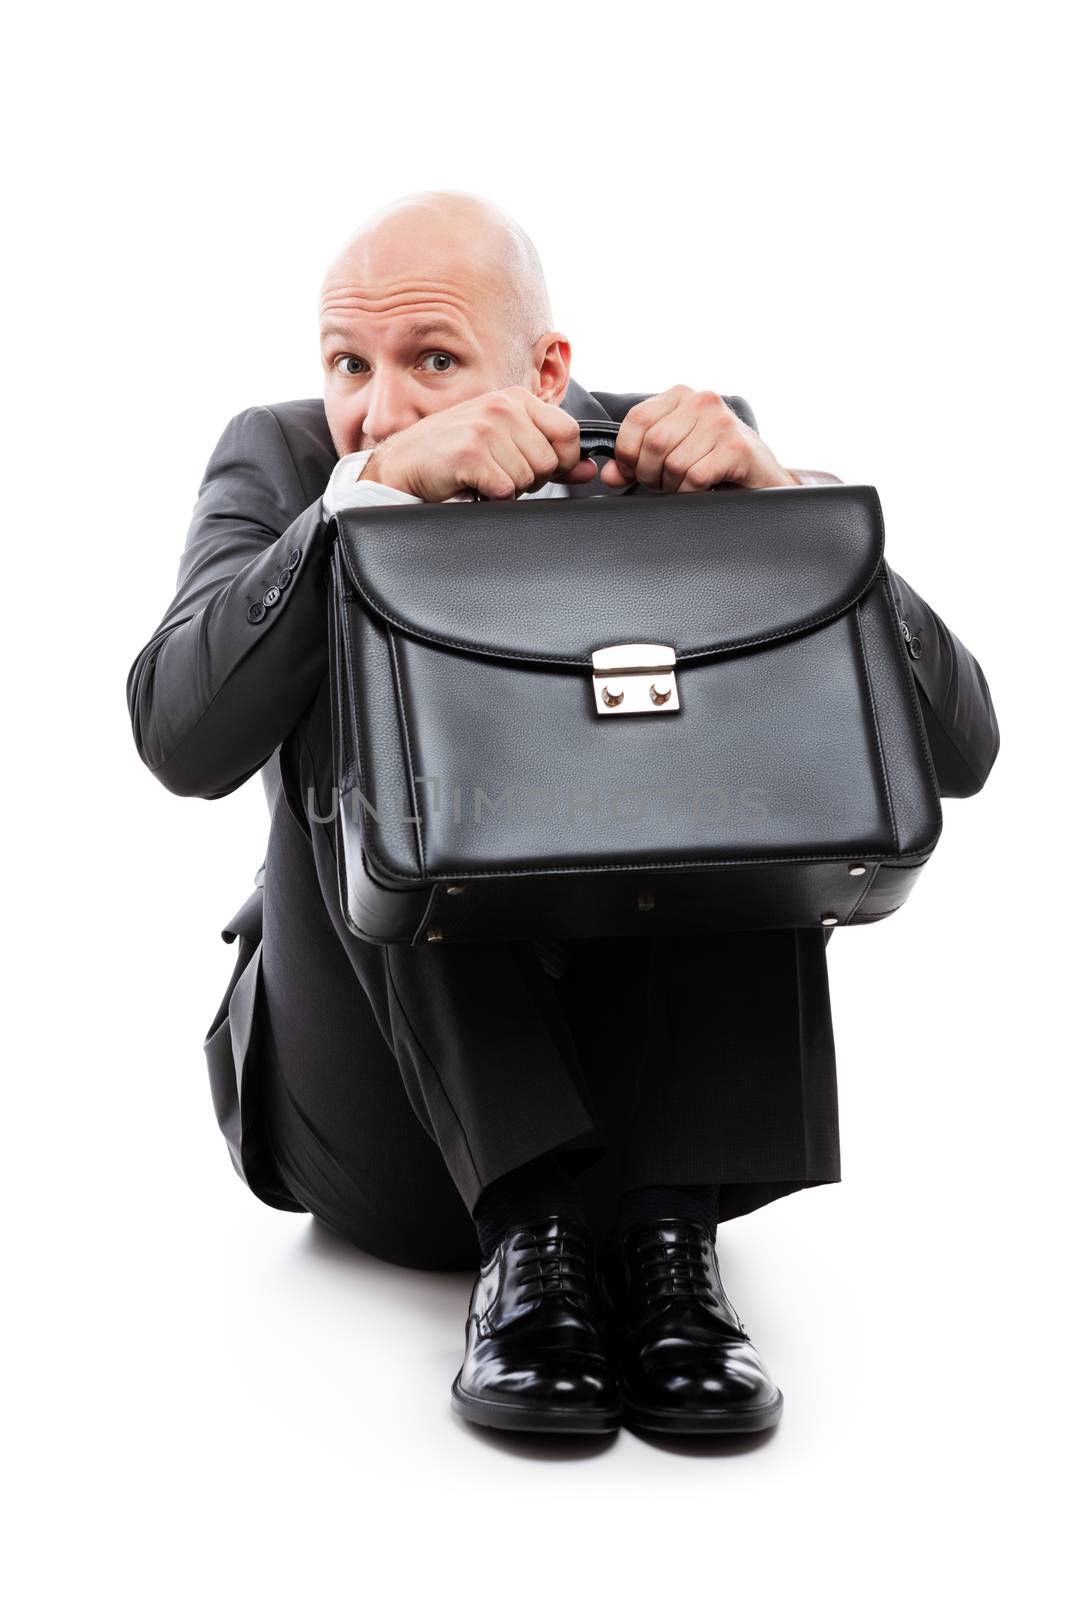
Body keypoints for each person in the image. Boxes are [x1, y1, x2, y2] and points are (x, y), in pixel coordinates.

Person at [126, 190, 1000, 1437]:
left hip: (650, 1111)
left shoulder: (667, 451)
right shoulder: (287, 460)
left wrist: (783, 513)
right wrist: (359, 506)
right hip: (377, 1110)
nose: (376, 409)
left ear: (545, 372)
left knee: (729, 686)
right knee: (355, 602)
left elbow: (961, 749)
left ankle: (665, 1251)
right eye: (346, 365)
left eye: (430, 361)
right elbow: (176, 735)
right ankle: (525, 1243)